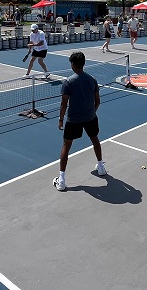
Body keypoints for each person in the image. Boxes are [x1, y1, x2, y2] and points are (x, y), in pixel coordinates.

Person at [53, 51, 105, 191]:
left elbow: (64, 104)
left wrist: (60, 120)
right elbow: (97, 101)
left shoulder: (69, 82)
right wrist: (92, 112)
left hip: (73, 120)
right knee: (95, 140)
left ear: (74, 64)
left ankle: (61, 180)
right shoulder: (92, 79)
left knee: (66, 145)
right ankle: (101, 167)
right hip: (90, 118)